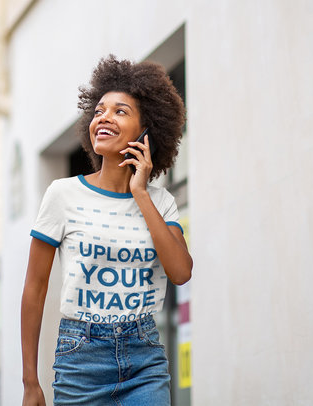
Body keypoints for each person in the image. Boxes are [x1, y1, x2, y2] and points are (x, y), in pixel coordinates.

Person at [21, 55, 193, 406]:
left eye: (120, 111)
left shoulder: (160, 202)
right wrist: (30, 382)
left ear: (146, 132)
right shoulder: (63, 194)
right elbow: (35, 289)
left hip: (144, 358)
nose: (104, 118)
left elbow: (180, 272)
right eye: (99, 110)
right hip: (80, 358)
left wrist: (140, 193)